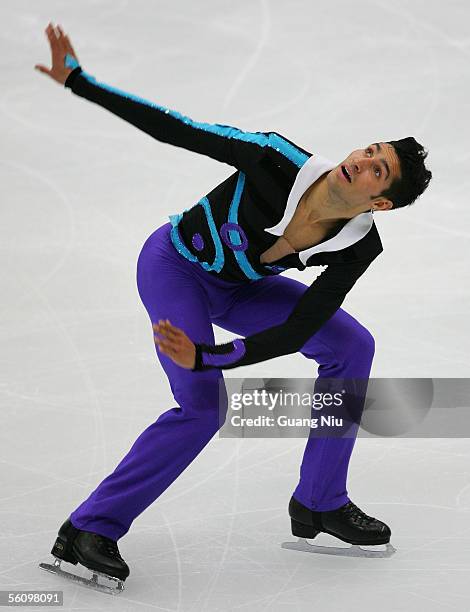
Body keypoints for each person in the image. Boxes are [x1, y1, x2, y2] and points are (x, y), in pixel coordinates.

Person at [36, 22, 432, 591]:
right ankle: (88, 528)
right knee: (202, 408)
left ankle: (319, 500)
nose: (362, 160)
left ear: (382, 201)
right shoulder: (275, 159)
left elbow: (302, 326)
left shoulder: (358, 244)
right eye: (370, 149)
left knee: (350, 345)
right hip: (176, 266)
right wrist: (79, 81)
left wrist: (217, 356)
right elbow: (178, 129)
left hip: (243, 289)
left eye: (378, 168)